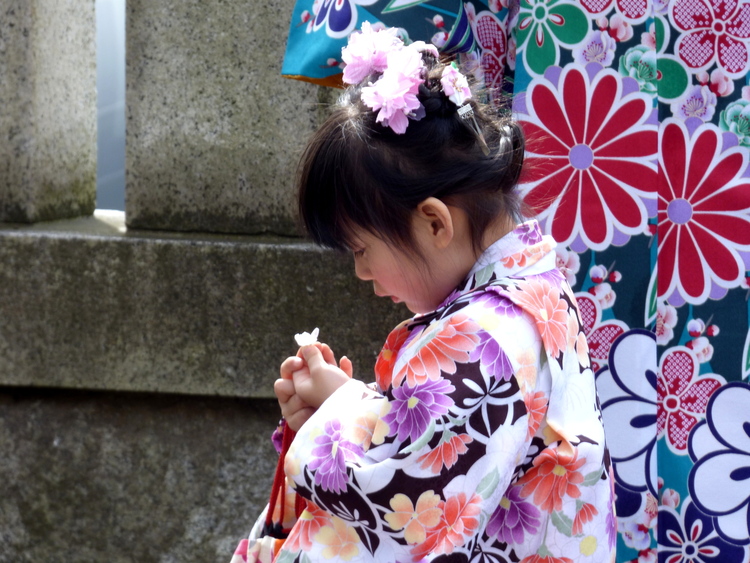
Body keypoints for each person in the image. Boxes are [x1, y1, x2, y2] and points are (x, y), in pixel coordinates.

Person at [233, 23, 616, 563]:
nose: (362, 274)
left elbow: (406, 509)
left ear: (435, 223)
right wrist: (348, 401)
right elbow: (447, 454)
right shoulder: (537, 293)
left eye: (362, 250)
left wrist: (338, 409)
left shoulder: (483, 336)